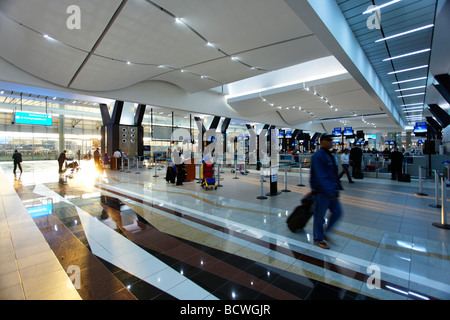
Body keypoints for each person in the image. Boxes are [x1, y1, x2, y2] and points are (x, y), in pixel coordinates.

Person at [310, 133, 343, 249]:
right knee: (319, 216)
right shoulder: (318, 156)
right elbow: (321, 176)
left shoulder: (329, 155)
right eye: (328, 140)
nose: (331, 142)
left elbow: (332, 173)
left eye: (331, 140)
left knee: (338, 212)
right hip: (321, 192)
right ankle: (318, 238)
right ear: (322, 142)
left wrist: (335, 188)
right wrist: (330, 191)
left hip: (331, 191)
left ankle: (325, 232)